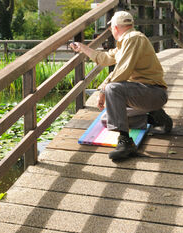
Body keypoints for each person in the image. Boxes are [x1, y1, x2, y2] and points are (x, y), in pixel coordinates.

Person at [70, 11, 172, 161]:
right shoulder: (125, 43)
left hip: (153, 92)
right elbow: (104, 58)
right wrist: (83, 48)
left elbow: (123, 71)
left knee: (113, 88)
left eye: (111, 28)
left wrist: (104, 90)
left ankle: (125, 142)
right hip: (142, 94)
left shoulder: (134, 38)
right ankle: (154, 117)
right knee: (107, 119)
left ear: (115, 28)